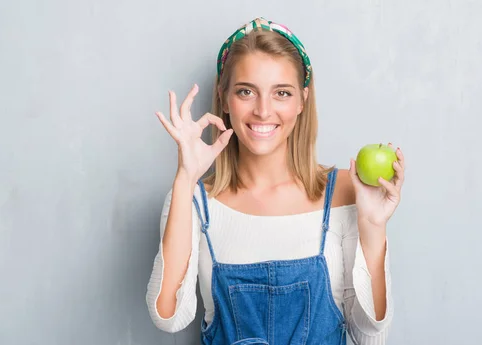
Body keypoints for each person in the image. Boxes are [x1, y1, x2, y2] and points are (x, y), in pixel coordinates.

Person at [146, 17, 405, 345]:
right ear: (224, 99)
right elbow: (169, 317)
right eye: (246, 92)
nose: (263, 110)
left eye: (281, 93)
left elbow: (369, 335)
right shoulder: (194, 200)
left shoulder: (346, 191)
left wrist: (372, 226)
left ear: (302, 100)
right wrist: (185, 178)